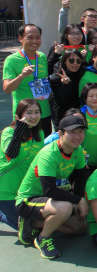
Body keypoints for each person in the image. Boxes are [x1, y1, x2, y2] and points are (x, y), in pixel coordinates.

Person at [14, 115, 89, 259]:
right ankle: (43, 238)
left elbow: (80, 177)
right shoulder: (48, 154)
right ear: (60, 134)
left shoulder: (77, 150)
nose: (77, 136)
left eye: (80, 131)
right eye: (72, 132)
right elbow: (50, 190)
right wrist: (78, 201)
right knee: (65, 208)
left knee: (80, 227)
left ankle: (34, 224)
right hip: (28, 200)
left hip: (50, 200)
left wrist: (76, 201)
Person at [0, 99, 43, 231]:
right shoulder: (8, 132)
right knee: (27, 230)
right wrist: (19, 129)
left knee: (39, 224)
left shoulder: (39, 134)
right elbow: (11, 154)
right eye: (29, 113)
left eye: (37, 112)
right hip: (5, 191)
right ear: (18, 115)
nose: (33, 116)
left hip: (25, 191)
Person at [3, 24, 53, 136]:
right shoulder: (11, 60)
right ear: (21, 38)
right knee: (25, 149)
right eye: (29, 37)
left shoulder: (42, 57)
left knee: (43, 148)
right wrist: (21, 76)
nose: (34, 41)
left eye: (37, 37)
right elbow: (7, 89)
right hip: (25, 114)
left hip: (43, 112)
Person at [49, 49, 84, 130]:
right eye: (71, 60)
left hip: (78, 114)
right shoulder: (56, 77)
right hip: (62, 117)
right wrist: (66, 84)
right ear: (64, 61)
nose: (75, 63)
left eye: (78, 61)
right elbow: (63, 99)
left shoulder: (81, 74)